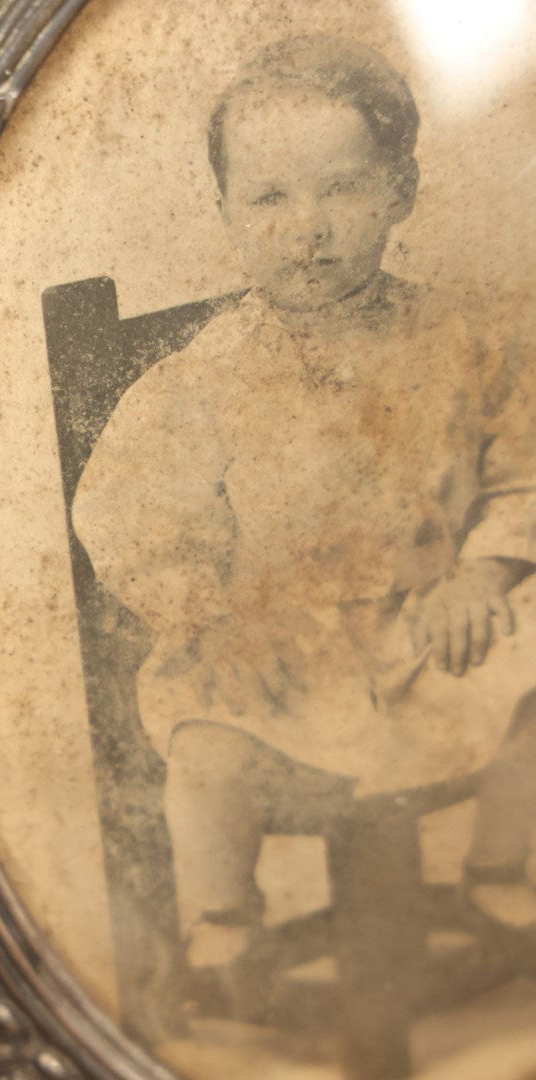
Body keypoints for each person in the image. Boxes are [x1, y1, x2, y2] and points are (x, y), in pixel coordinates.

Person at [72, 36, 536, 973]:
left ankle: (500, 863)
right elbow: (133, 519)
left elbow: (520, 466)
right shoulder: (198, 380)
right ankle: (223, 925)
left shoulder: (463, 339)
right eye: (270, 199)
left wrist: (481, 575)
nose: (308, 229)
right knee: (204, 743)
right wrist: (217, 615)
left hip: (431, 626)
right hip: (272, 648)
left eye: (342, 190)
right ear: (227, 213)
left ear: (399, 190)